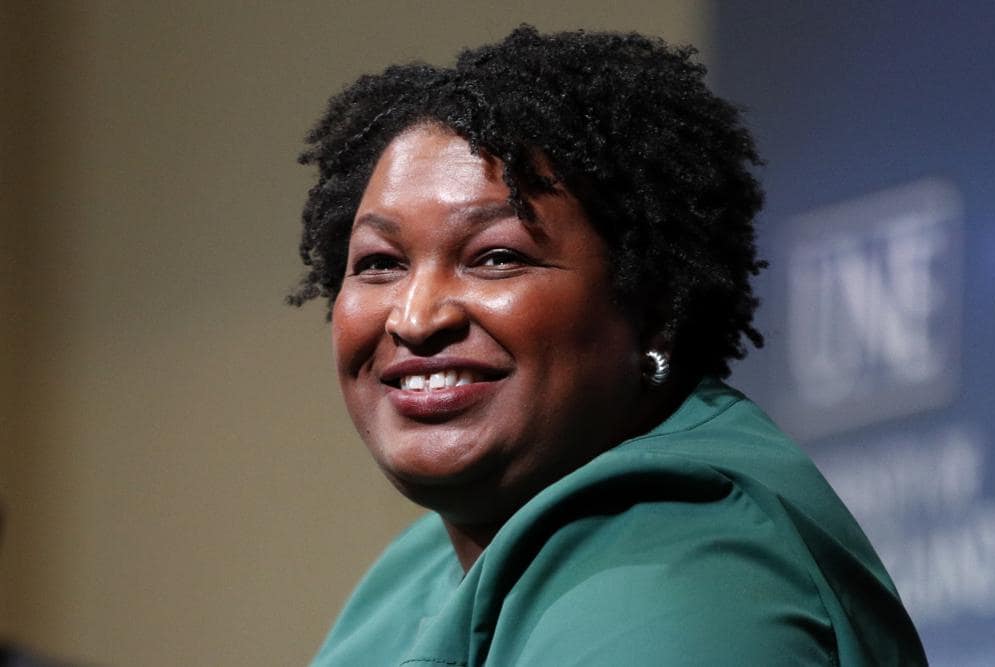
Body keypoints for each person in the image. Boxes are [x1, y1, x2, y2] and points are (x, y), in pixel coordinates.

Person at [290, 26, 927, 666]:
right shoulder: (413, 574)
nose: (416, 317)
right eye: (378, 264)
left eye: (497, 258)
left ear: (653, 307)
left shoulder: (682, 570)